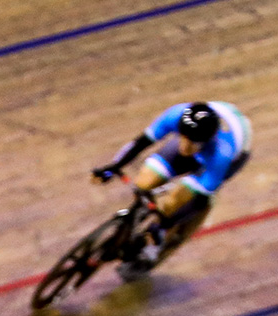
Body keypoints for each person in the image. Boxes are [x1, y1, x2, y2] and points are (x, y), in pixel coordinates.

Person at [93, 101, 252, 272]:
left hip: (230, 156)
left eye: (192, 142)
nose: (185, 146)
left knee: (173, 204)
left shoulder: (222, 153)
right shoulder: (176, 115)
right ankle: (133, 224)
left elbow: (199, 199)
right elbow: (141, 142)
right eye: (183, 137)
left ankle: (159, 240)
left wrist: (163, 225)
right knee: (144, 182)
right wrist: (113, 167)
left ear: (206, 140)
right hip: (205, 139)